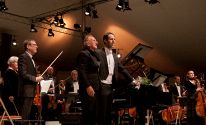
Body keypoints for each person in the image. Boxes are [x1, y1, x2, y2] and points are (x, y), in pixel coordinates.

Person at [97, 32, 135, 125]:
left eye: (114, 39)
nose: (113, 41)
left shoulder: (114, 56)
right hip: (102, 85)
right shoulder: (98, 52)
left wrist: (133, 80)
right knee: (102, 112)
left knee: (109, 112)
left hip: (111, 86)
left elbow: (122, 69)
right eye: (111, 39)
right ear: (105, 41)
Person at [76, 34, 101, 125]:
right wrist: (88, 86)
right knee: (88, 112)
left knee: (94, 112)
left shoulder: (93, 54)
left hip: (95, 86)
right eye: (94, 40)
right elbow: (82, 71)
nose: (96, 42)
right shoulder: (83, 53)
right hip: (89, 87)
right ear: (87, 43)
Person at [18, 39, 43, 125]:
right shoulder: (23, 57)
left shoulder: (31, 59)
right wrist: (35, 78)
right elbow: (23, 74)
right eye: (34, 44)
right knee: (25, 115)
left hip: (30, 90)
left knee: (27, 115)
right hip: (26, 90)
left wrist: (37, 77)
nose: (37, 46)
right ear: (28, 46)